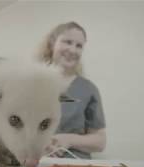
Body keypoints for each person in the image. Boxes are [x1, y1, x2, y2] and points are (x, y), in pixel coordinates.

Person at [38, 21, 106, 159]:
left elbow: (100, 142)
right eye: (67, 42)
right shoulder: (30, 83)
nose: (73, 50)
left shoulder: (88, 89)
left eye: (79, 46)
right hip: (34, 165)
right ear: (52, 43)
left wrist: (68, 140)